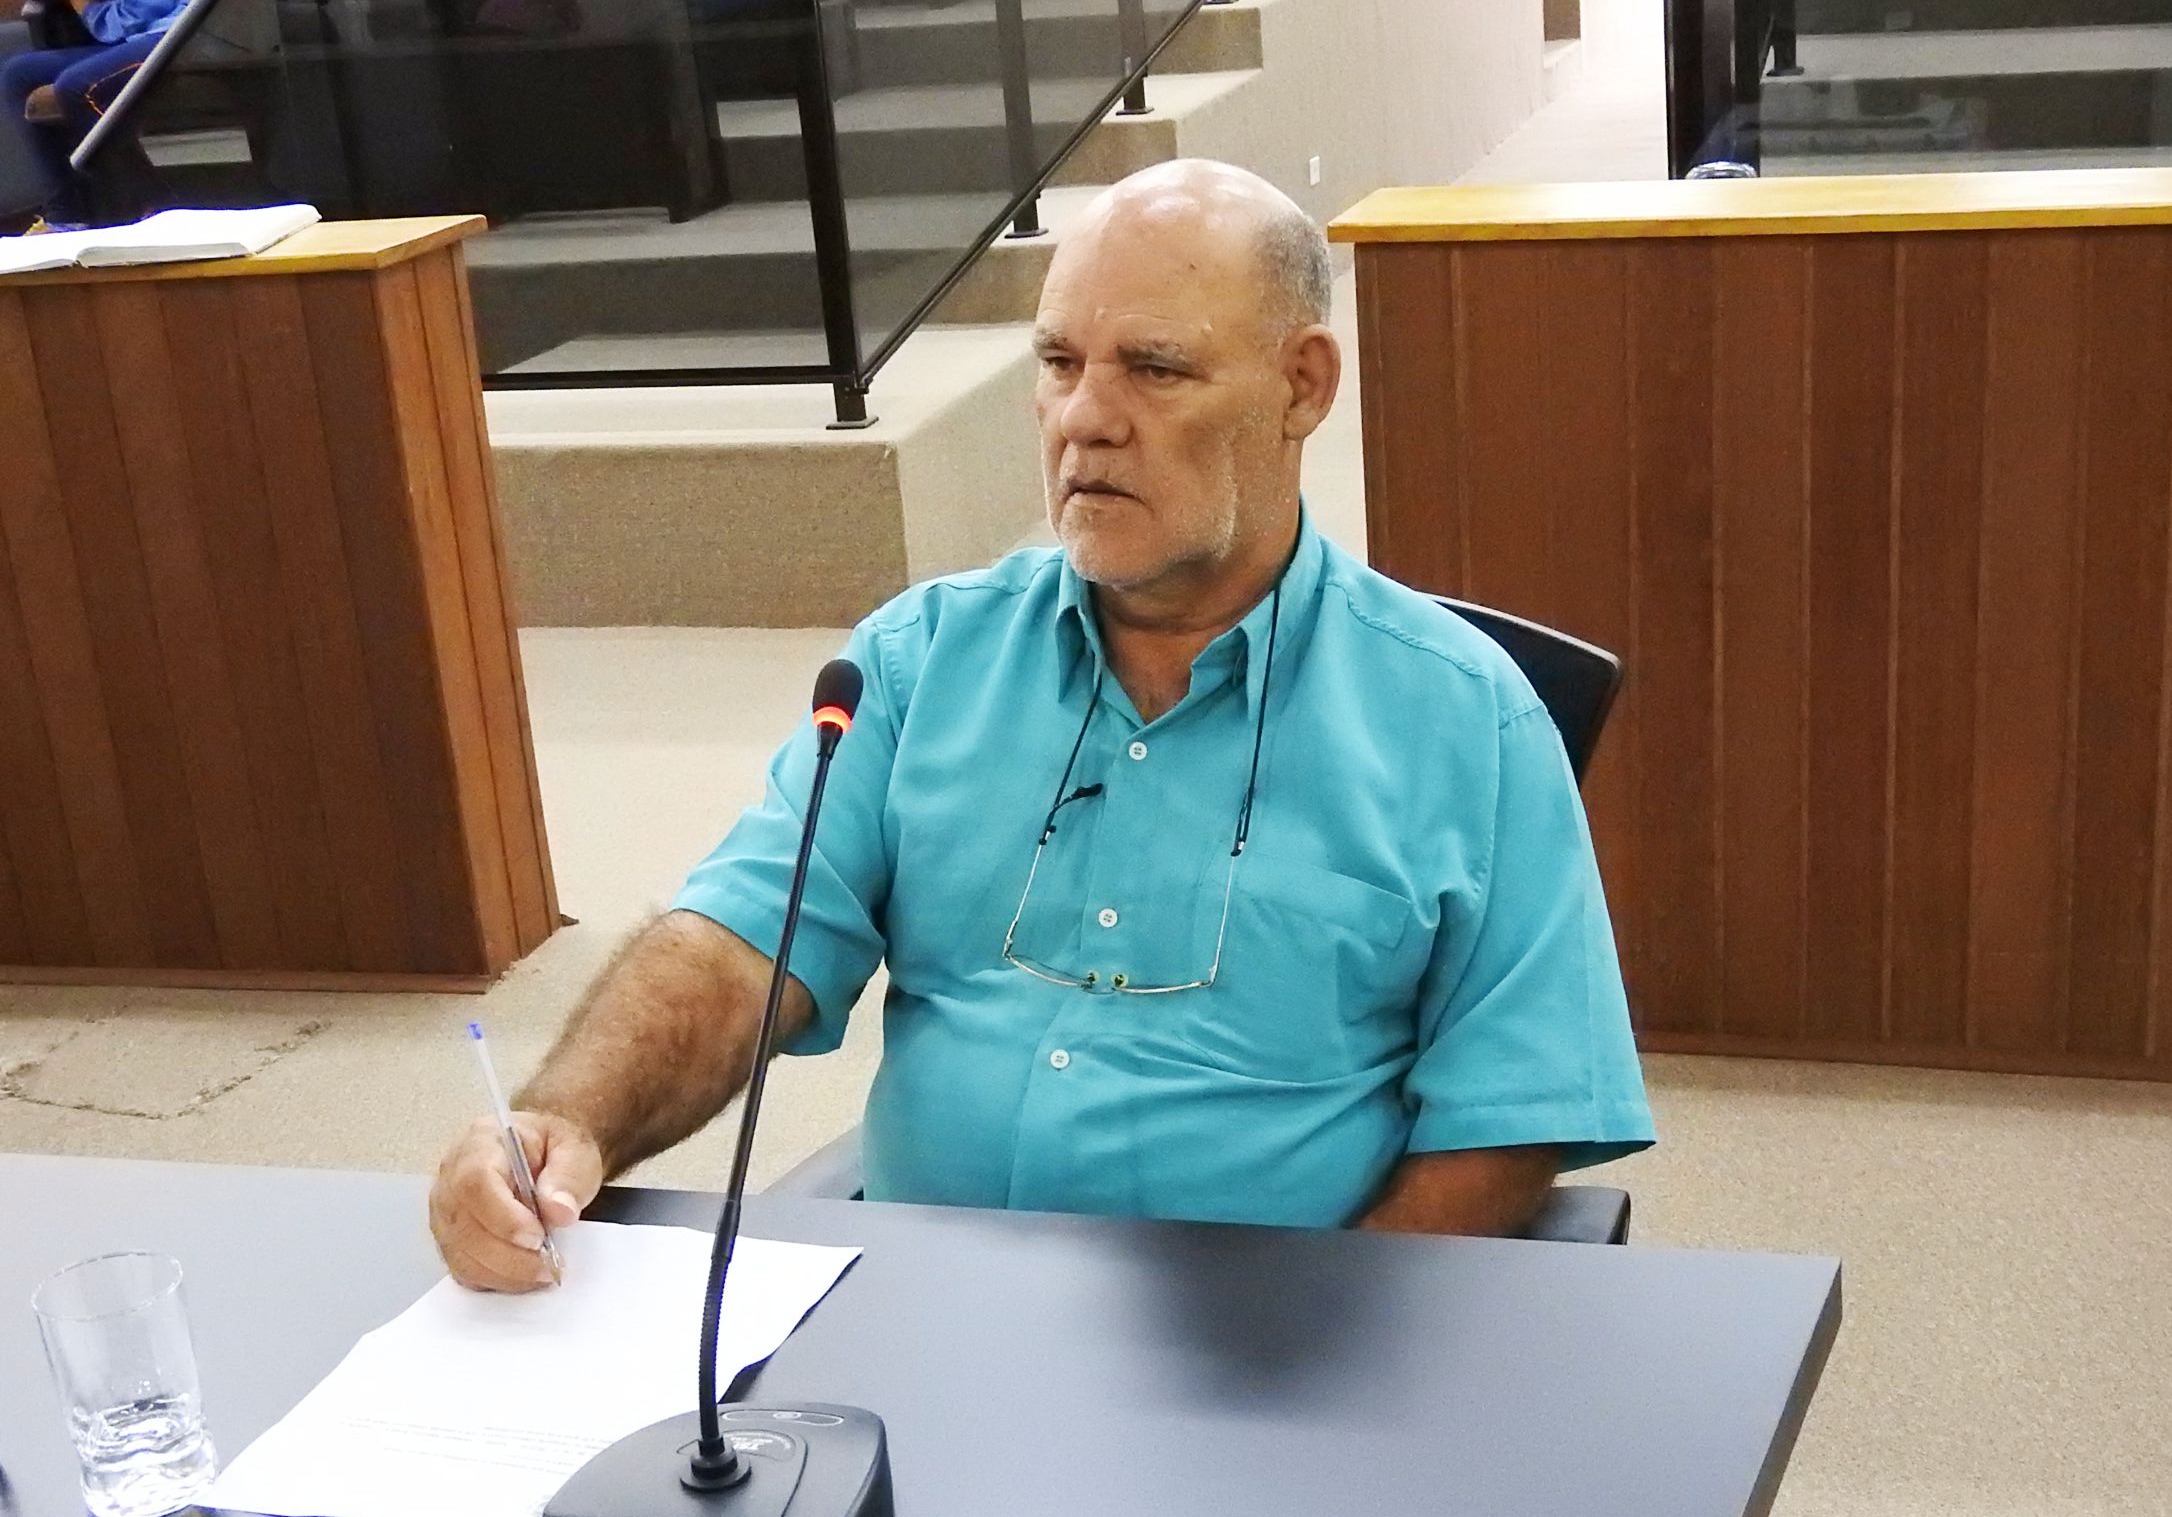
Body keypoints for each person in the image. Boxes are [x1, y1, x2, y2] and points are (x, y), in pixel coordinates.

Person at [427, 159, 1655, 1293]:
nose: (1085, 418)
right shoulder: (920, 660)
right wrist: (566, 1117)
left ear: (1302, 385)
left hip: (1261, 1342)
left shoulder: (1463, 716)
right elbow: (738, 947)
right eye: (1060, 362)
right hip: (933, 1306)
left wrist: (1322, 1346)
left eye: (1154, 368)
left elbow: (1510, 1120)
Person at [0, 0, 206, 229]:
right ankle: (65, 219)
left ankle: (154, 208)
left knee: (79, 87)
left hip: (188, 29)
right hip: (145, 32)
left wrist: (90, 10)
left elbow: (144, 10)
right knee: (19, 75)